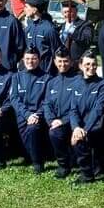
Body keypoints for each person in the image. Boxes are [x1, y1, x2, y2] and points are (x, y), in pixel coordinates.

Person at [69, 49, 104, 184]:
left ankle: (87, 175)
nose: (91, 68)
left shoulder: (103, 84)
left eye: (94, 64)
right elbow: (73, 109)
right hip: (81, 126)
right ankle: (87, 172)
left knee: (81, 139)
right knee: (77, 137)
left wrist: (85, 129)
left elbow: (98, 110)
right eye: (87, 64)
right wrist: (76, 127)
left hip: (97, 125)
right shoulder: (76, 84)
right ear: (81, 65)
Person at [10, 45, 51, 173]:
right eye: (27, 58)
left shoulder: (46, 78)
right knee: (25, 145)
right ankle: (33, 155)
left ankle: (38, 163)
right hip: (23, 116)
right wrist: (27, 115)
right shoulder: (16, 77)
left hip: (39, 116)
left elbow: (47, 101)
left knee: (33, 129)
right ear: (23, 59)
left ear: (39, 60)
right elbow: (14, 99)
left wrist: (36, 115)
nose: (30, 62)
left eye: (33, 59)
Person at [44, 47, 79, 178]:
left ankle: (67, 163)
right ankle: (63, 164)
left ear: (70, 62)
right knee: (54, 132)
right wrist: (51, 120)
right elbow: (47, 104)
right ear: (54, 61)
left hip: (71, 122)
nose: (62, 64)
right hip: (55, 121)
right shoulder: (52, 82)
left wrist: (63, 120)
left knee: (55, 133)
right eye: (59, 61)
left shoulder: (78, 80)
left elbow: (78, 107)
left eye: (65, 61)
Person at [23, 0, 60, 75]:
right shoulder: (28, 28)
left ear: (35, 9)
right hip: (30, 73)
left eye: (26, 7)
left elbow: (56, 53)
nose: (24, 9)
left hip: (45, 74)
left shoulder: (49, 29)